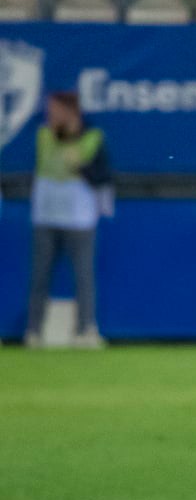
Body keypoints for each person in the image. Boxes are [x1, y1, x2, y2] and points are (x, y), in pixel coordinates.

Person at [25, 92, 113, 350]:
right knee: (40, 275)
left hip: (79, 218)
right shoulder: (43, 135)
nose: (51, 115)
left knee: (84, 276)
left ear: (71, 111)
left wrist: (81, 166)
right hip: (47, 215)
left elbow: (102, 177)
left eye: (56, 110)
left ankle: (86, 329)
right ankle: (33, 331)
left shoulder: (93, 138)